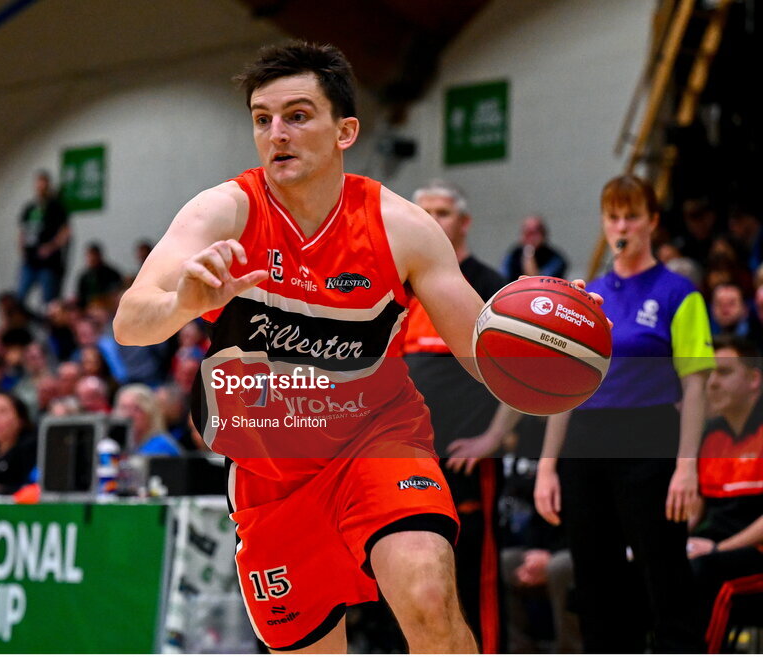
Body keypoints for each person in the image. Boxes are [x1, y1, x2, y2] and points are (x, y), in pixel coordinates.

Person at [113, 41, 599, 652]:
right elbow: (131, 322)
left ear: (345, 131)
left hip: (377, 441)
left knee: (427, 595)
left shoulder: (402, 227)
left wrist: (552, 340)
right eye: (263, 119)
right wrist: (182, 302)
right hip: (271, 475)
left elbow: (484, 353)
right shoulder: (224, 210)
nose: (276, 133)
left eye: (297, 115)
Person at [534, 174, 715, 653]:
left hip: (651, 438)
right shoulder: (586, 296)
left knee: (665, 577)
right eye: (613, 216)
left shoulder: (680, 293)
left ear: (652, 222)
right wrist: (548, 467)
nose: (622, 225)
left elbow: (696, 389)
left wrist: (686, 467)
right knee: (594, 582)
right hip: (586, 445)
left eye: (632, 215)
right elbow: (563, 388)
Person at [401, 179, 510, 651]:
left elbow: (522, 375)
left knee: (473, 580)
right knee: (413, 581)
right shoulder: (396, 287)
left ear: (464, 222)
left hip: (466, 462)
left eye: (442, 212)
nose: (431, 221)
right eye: (422, 212)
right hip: (407, 463)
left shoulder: (487, 284)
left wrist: (491, 438)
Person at [688, 335, 763, 611]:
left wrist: (720, 549)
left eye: (724, 372)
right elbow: (694, 510)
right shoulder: (710, 435)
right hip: (716, 546)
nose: (712, 383)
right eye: (709, 373)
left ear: (754, 380)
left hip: (752, 552)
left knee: (700, 571)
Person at [18, 170, 71, 306]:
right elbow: (22, 232)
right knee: (19, 297)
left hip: (49, 263)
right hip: (30, 261)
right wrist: (22, 251)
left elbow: (65, 232)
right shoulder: (29, 208)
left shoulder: (56, 208)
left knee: (48, 301)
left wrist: (51, 247)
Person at [113, 383, 182, 456]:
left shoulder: (161, 446)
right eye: (124, 408)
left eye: (137, 409)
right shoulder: (118, 445)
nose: (129, 414)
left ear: (150, 413)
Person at [500, 214, 569, 280]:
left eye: (534, 232)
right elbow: (504, 279)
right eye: (527, 232)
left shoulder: (555, 259)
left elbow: (541, 283)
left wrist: (529, 254)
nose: (530, 237)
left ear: (543, 234)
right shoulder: (513, 255)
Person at [74, 242, 123, 310]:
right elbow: (80, 297)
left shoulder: (111, 274)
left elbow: (115, 294)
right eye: (89, 256)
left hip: (107, 308)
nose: (91, 259)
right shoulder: (84, 277)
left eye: (93, 256)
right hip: (89, 309)